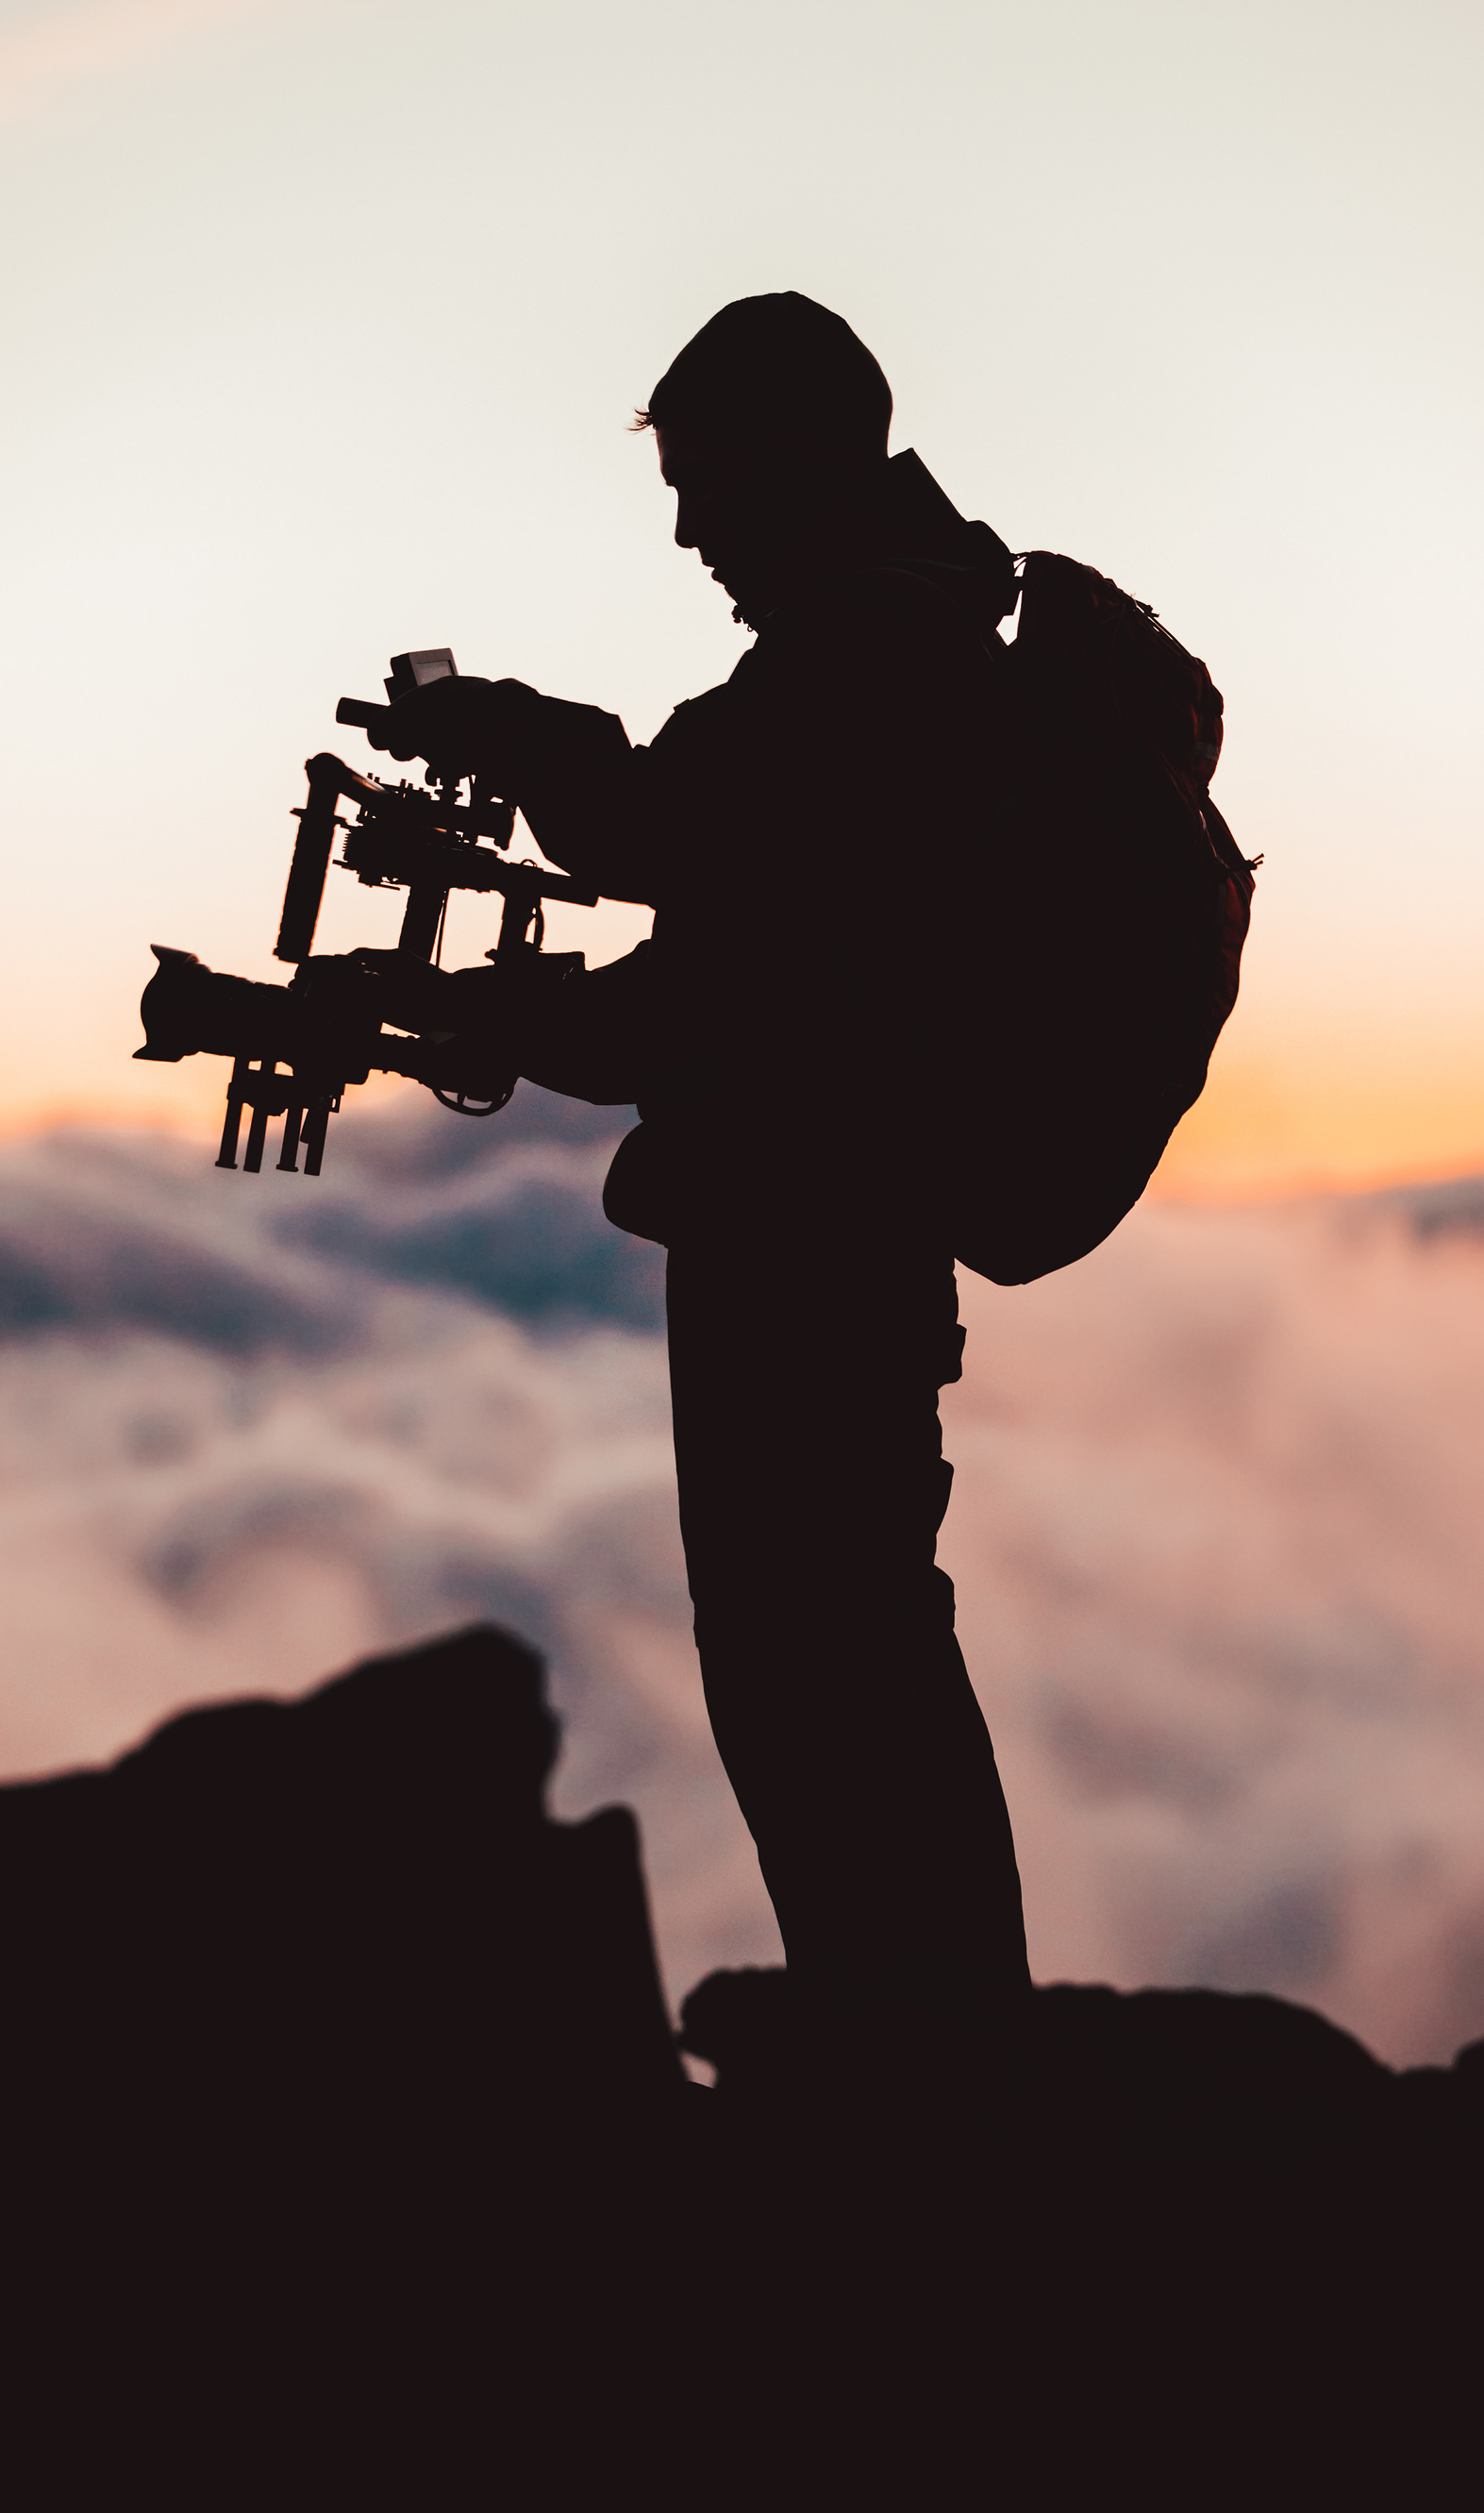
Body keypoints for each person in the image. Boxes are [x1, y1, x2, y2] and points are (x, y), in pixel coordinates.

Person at [380, 294, 1032, 2041]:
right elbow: (726, 968)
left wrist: (509, 746)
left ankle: (927, 2068)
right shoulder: (912, 638)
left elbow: (682, 842)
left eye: (707, 485)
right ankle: (915, 2032)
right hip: (836, 1235)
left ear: (800, 464)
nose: (688, 533)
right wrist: (515, 1004)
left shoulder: (866, 659)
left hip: (811, 1253)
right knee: (843, 1649)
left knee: (823, 1660)